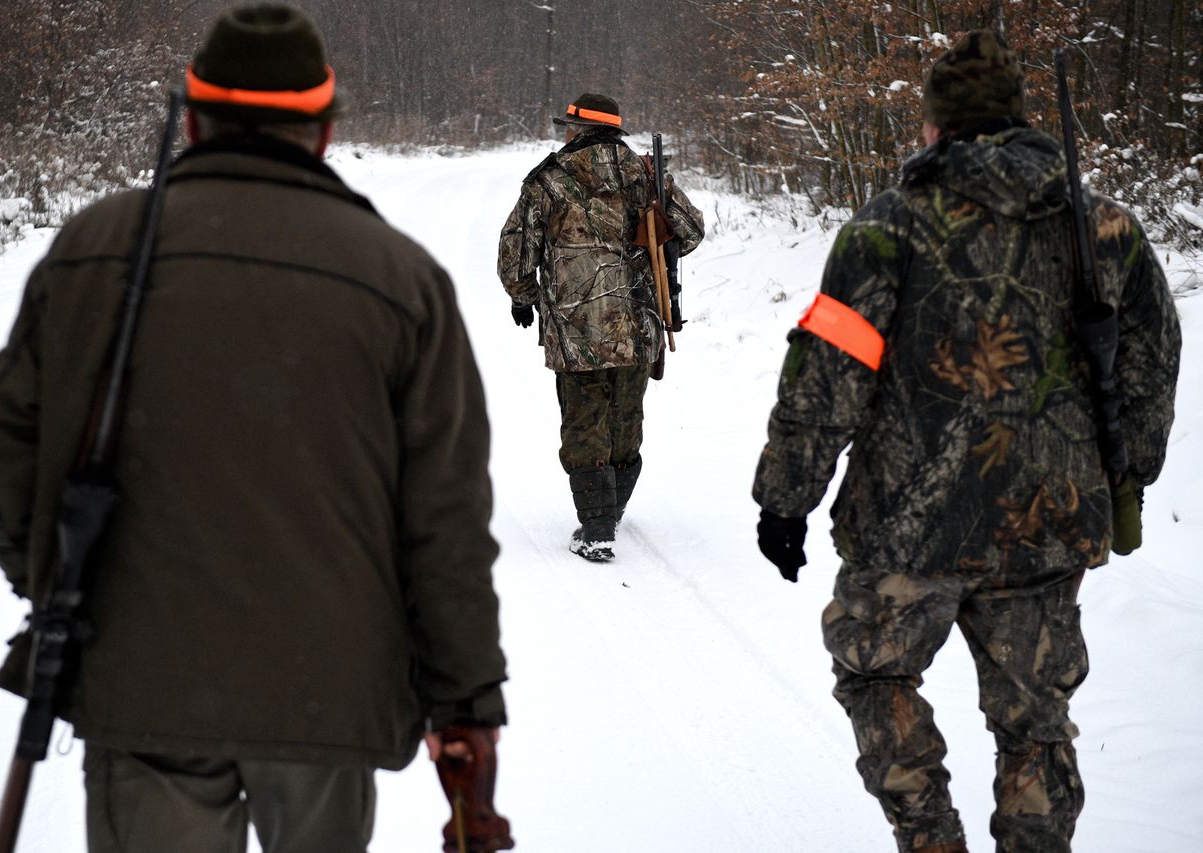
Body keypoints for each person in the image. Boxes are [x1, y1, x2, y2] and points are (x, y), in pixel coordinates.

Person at [0, 6, 509, 851]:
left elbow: (3, 453)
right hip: (328, 692)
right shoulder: (402, 281)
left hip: (142, 689)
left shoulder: (93, 249)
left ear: (191, 119)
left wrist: (63, 586)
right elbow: (445, 521)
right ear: (325, 131)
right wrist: (464, 700)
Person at [751, 30, 1180, 853]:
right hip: (1052, 521)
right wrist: (1128, 465)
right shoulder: (1107, 228)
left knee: (876, 672)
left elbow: (827, 377)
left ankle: (931, 838)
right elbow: (1154, 354)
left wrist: (785, 496)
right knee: (1037, 721)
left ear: (935, 126)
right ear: (1018, 118)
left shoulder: (887, 226)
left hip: (910, 524)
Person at [497, 92, 704, 562]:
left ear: (577, 130)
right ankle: (612, 510)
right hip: (639, 321)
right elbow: (690, 231)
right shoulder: (646, 176)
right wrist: (654, 244)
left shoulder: (548, 181)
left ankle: (597, 528)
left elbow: (514, 257)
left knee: (585, 420)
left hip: (576, 328)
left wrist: (525, 297)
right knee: (626, 417)